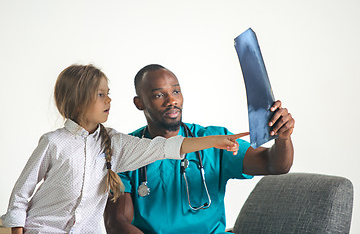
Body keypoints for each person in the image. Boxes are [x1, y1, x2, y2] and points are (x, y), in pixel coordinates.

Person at [1, 64, 248, 234]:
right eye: (100, 95)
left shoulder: (115, 143)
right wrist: (16, 230)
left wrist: (214, 141)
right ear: (78, 101)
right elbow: (21, 195)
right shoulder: (54, 143)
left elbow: (165, 148)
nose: (109, 100)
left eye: (108, 94)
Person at [103, 64, 295, 234]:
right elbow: (117, 223)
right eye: (159, 95)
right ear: (140, 103)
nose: (171, 101)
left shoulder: (213, 141)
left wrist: (283, 139)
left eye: (176, 92)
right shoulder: (125, 150)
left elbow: (274, 165)